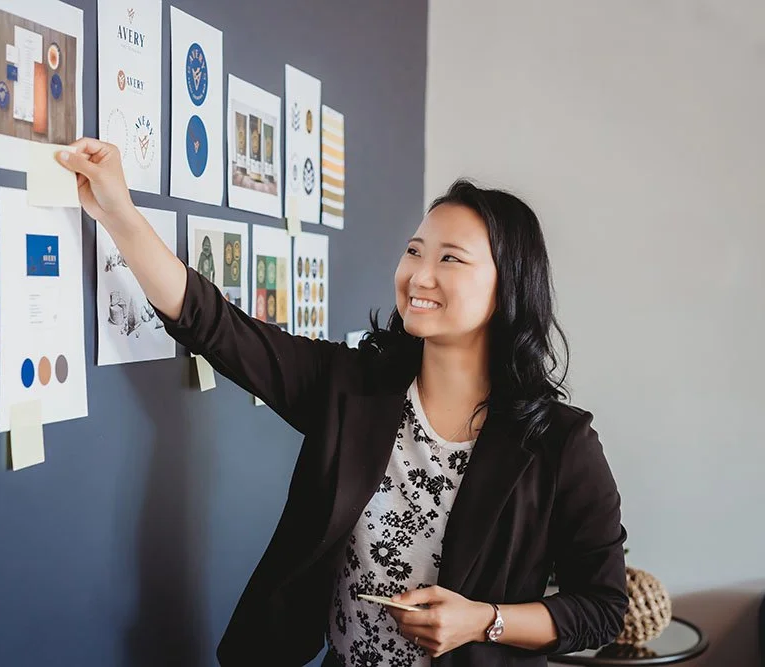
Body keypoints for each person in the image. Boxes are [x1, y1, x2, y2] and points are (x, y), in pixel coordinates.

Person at [55, 139, 628, 667]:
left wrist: (484, 621)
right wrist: (119, 214)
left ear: (510, 287)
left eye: (450, 259)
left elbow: (603, 607)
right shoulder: (352, 385)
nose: (418, 274)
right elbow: (217, 328)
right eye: (414, 251)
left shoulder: (559, 443)